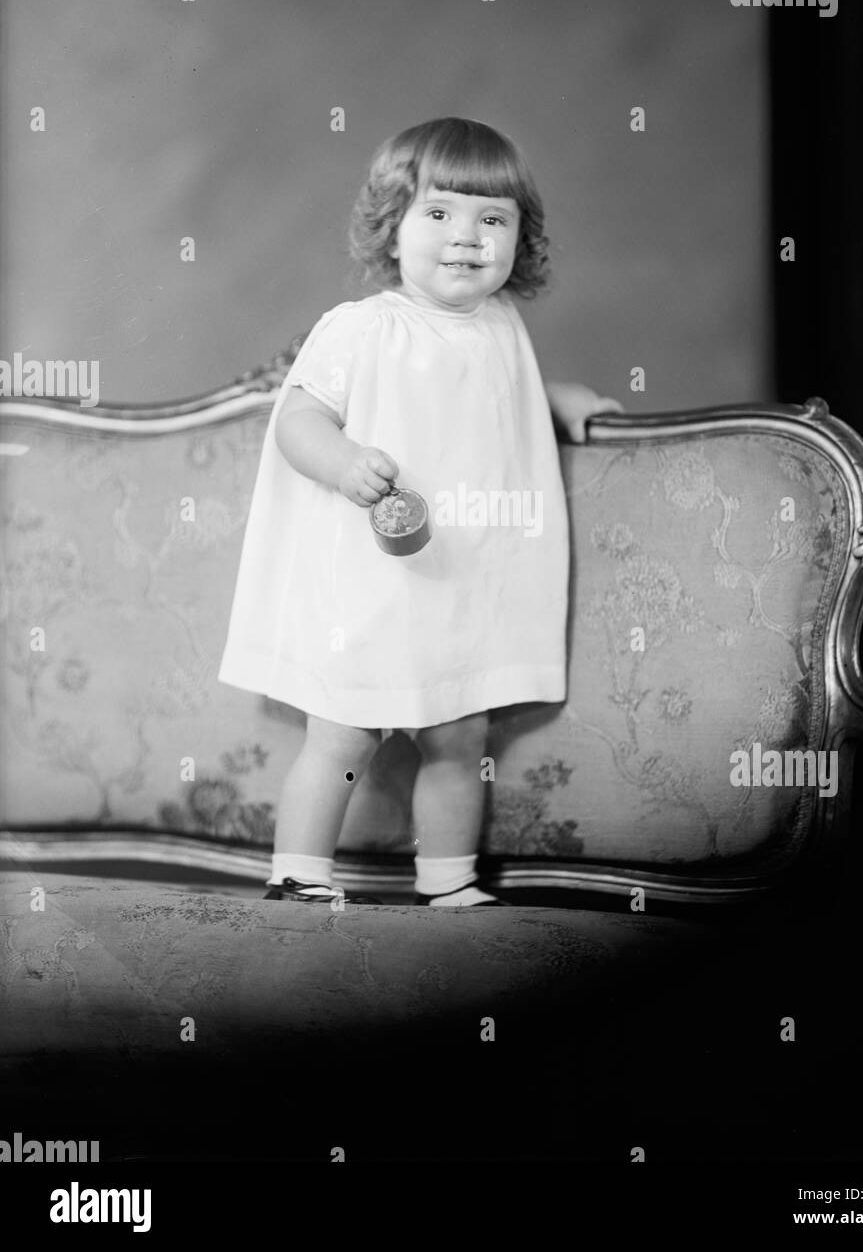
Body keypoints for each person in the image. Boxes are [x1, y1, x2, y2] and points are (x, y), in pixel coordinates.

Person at [218, 117, 622, 906]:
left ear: (518, 239)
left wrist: (555, 399)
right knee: (341, 735)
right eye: (440, 213)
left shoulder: (502, 326)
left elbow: (492, 401)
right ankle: (298, 874)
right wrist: (344, 464)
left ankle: (448, 880)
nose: (467, 237)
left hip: (462, 582)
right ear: (391, 227)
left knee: (459, 738)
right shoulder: (362, 329)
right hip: (375, 584)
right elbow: (298, 418)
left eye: (492, 218)